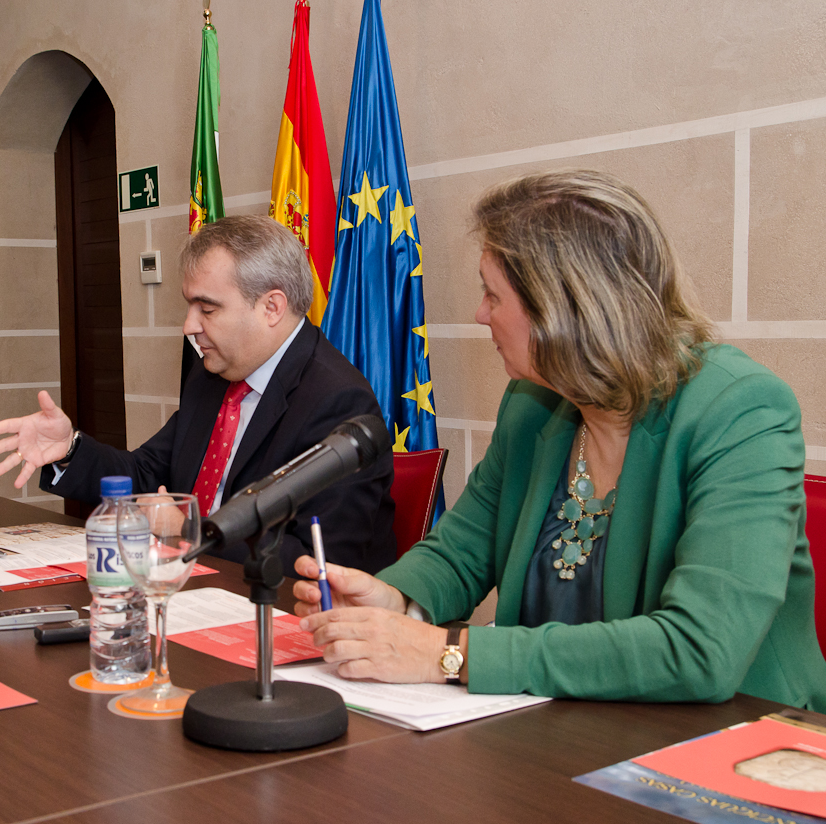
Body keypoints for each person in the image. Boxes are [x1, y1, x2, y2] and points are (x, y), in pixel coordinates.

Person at [294, 169, 826, 710]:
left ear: (566, 308)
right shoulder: (533, 402)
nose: (480, 315)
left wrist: (447, 652)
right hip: (563, 731)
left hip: (731, 744)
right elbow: (462, 552)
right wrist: (398, 600)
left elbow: (700, 651)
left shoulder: (741, 410)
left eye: (492, 294)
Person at [0, 215, 396, 574]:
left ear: (271, 307)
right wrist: (68, 449)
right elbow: (145, 474)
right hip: (188, 588)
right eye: (189, 306)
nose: (189, 326)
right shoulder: (212, 376)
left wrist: (186, 530)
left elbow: (316, 562)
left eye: (207, 309)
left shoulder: (337, 402)